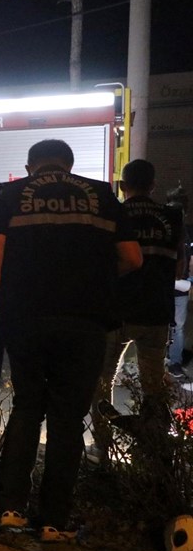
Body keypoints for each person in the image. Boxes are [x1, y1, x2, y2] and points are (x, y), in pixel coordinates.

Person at [0, 139, 142, 543]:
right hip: (84, 322)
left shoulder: (10, 194)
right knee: (68, 419)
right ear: (69, 165)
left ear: (31, 166)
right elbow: (134, 258)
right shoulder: (101, 194)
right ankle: (54, 522)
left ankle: (12, 511)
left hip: (24, 319)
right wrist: (95, 282)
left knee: (28, 406)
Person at [91, 160, 182, 460]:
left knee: (102, 382)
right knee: (154, 386)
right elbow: (179, 266)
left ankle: (104, 449)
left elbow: (104, 262)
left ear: (122, 185)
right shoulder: (171, 216)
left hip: (117, 313)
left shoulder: (114, 213)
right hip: (156, 313)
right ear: (153, 185)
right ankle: (154, 447)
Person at [167, 183, 191, 377]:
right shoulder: (168, 231)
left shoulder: (184, 232)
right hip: (171, 286)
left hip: (178, 286)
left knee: (178, 327)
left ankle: (174, 361)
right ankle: (171, 361)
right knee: (172, 327)